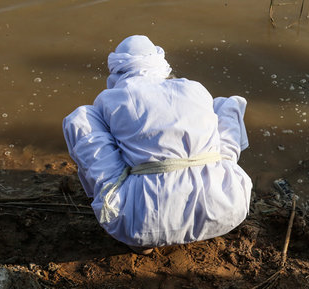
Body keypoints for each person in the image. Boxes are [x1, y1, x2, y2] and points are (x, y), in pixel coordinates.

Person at [63, 35, 252, 253]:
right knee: (225, 105)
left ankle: (141, 242)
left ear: (118, 69)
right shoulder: (195, 88)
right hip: (228, 206)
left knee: (81, 118)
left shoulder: (111, 98)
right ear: (159, 64)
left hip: (138, 224)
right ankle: (205, 203)